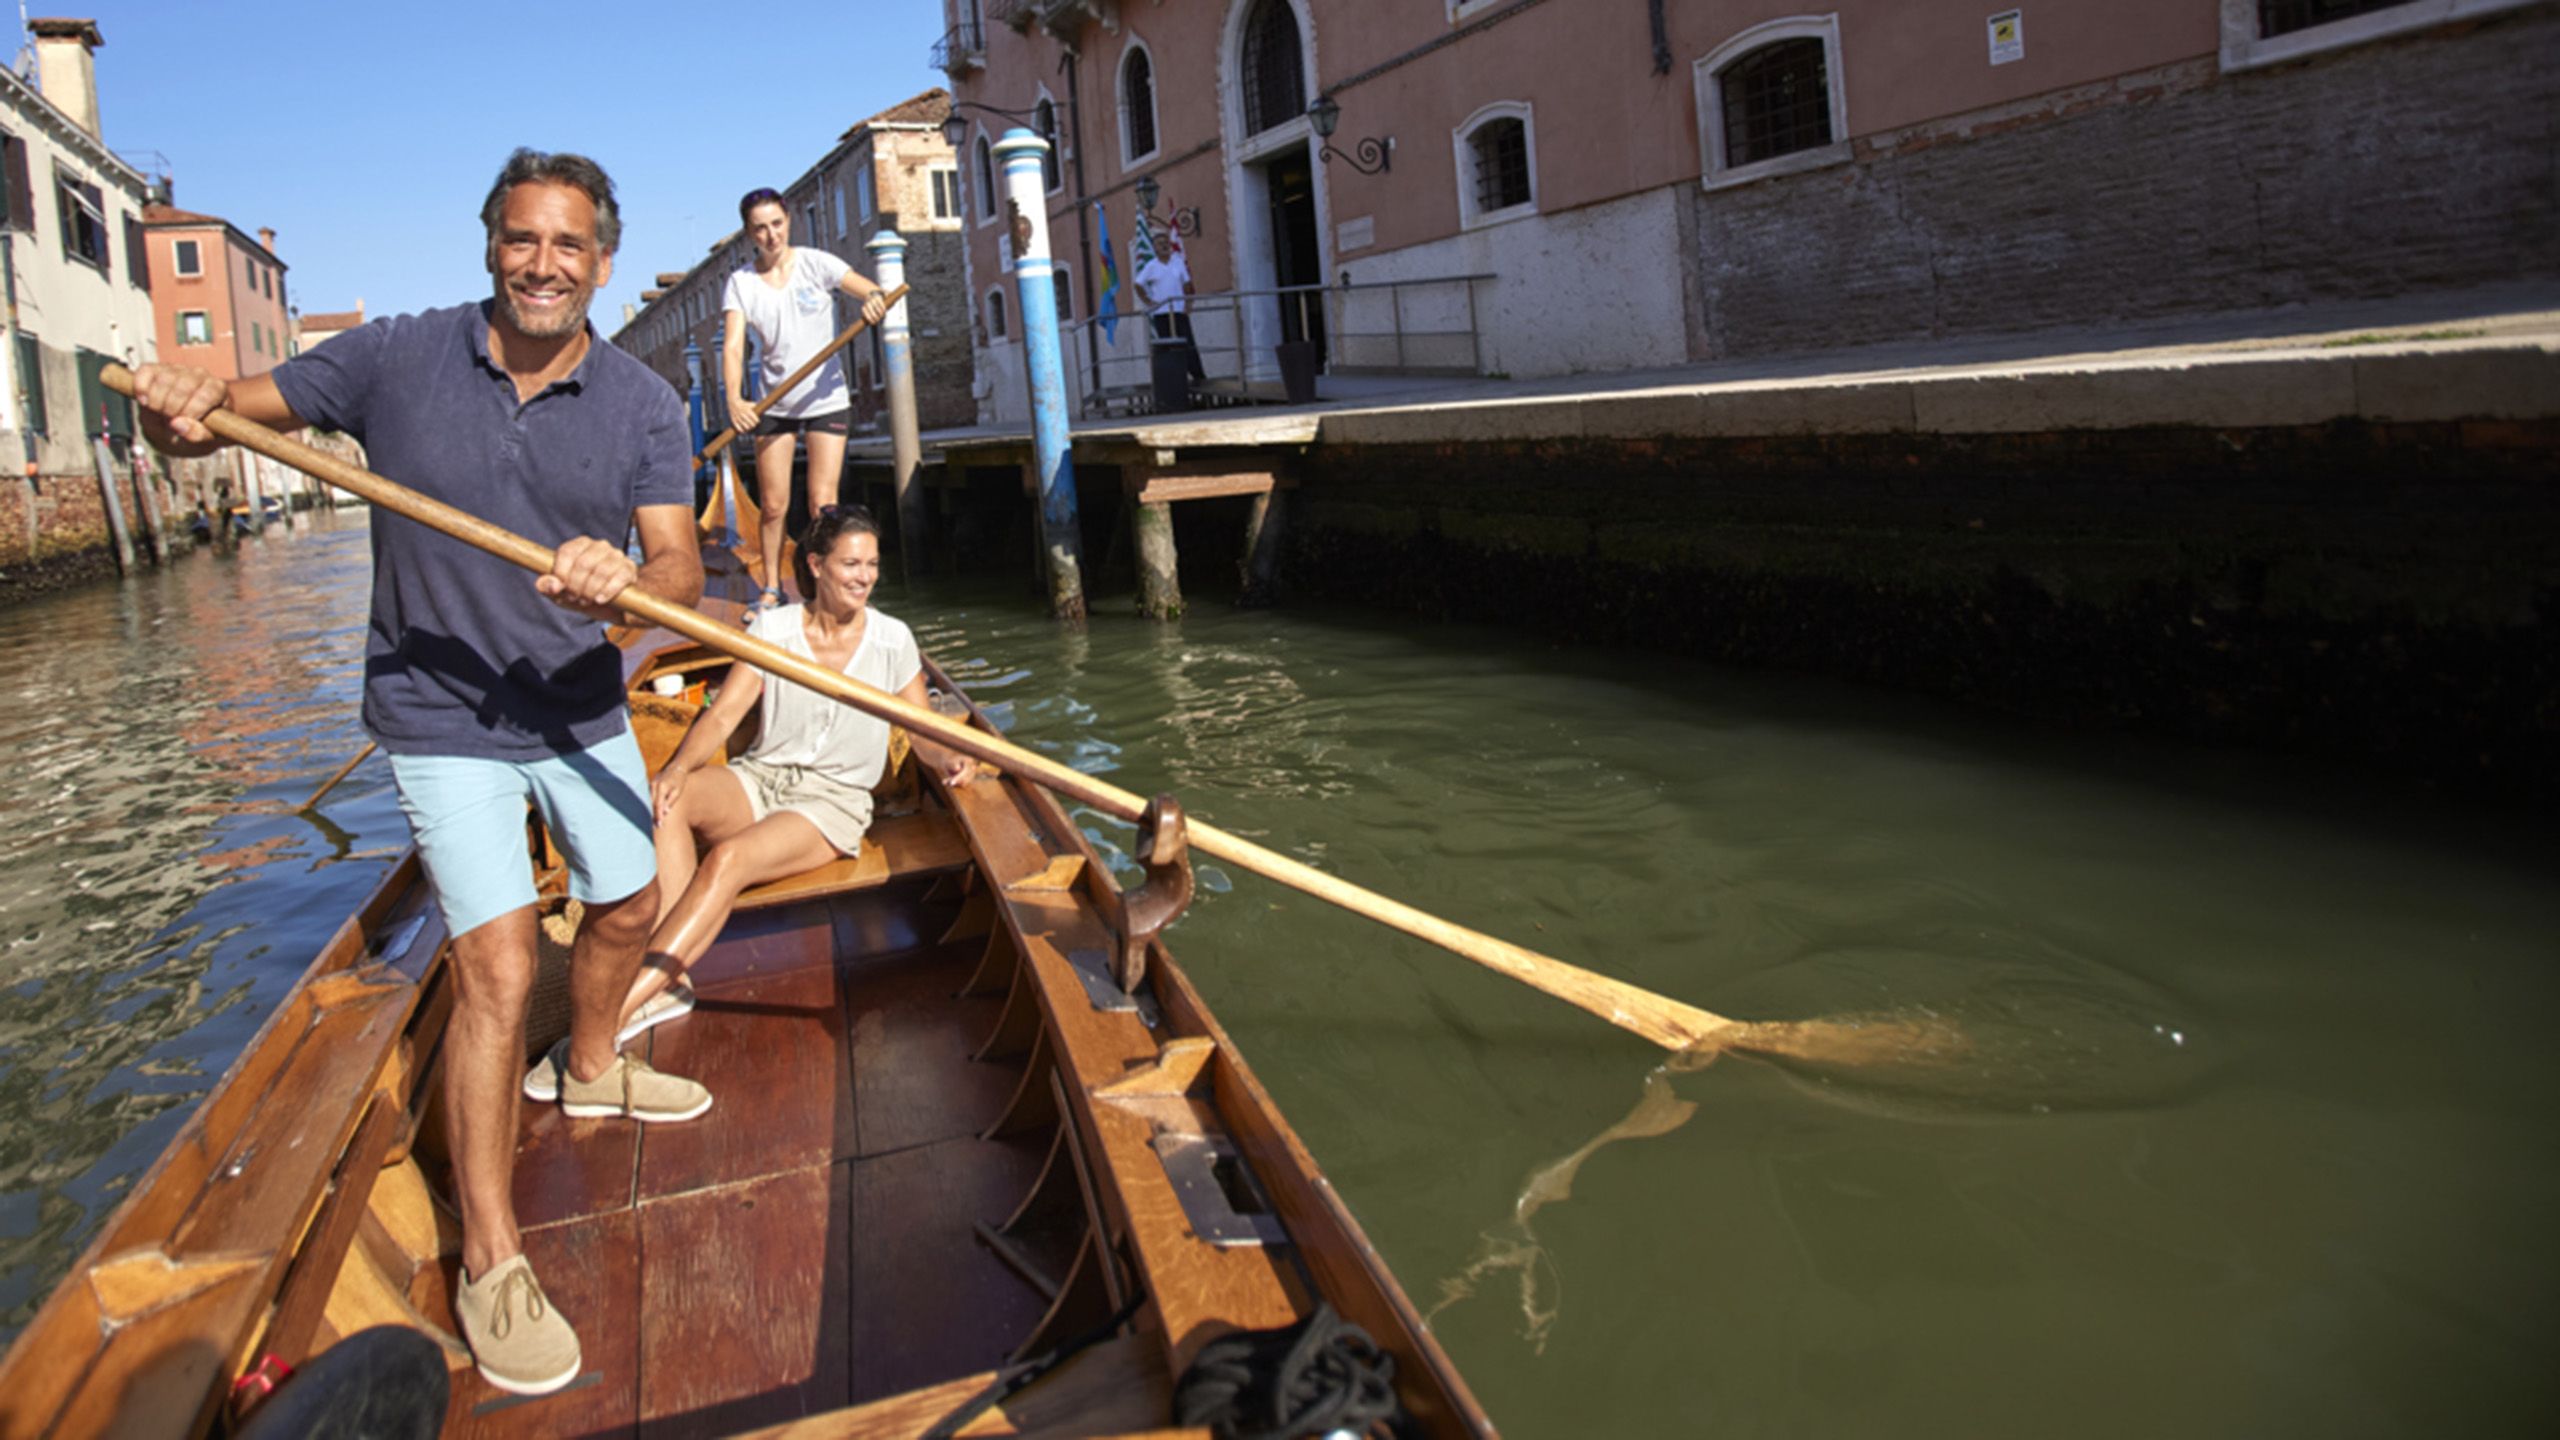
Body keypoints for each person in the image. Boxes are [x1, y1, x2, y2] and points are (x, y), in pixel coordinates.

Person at [130, 148, 707, 1400]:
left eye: (567, 244)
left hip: (576, 700)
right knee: (498, 965)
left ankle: (589, 1067)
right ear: (491, 245)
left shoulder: (643, 403)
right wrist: (169, 407)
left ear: (603, 262)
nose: (542, 263)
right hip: (437, 711)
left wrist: (628, 583)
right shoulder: (393, 357)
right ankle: (491, 1255)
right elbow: (210, 417)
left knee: (628, 902)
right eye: (521, 238)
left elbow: (681, 571)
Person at [525, 505, 973, 1056]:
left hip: (829, 803)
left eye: (872, 565)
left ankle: (617, 1010)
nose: (865, 577)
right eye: (851, 564)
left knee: (727, 860)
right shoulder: (773, 629)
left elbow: (923, 730)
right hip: (760, 778)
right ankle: (666, 974)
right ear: (816, 565)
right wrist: (677, 768)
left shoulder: (891, 639)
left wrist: (948, 757)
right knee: (669, 799)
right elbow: (721, 717)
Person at [722, 187, 890, 614]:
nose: (771, 235)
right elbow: (733, 346)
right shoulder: (741, 283)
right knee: (773, 505)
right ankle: (771, 590)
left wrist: (874, 302)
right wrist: (736, 400)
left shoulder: (817, 263)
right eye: (761, 228)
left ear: (788, 221)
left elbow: (871, 291)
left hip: (825, 398)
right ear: (749, 234)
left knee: (822, 504)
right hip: (773, 404)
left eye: (777, 224)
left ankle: (826, 591)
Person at [1134, 226, 1205, 384]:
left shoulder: (1177, 262)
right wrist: (1148, 301)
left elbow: (1187, 284)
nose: (1164, 246)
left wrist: (1188, 303)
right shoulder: (1151, 266)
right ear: (1154, 248)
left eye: (1166, 242)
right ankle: (1174, 380)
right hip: (1162, 313)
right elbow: (1138, 284)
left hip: (1179, 311)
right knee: (1167, 348)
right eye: (1160, 244)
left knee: (1188, 344)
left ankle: (1198, 377)